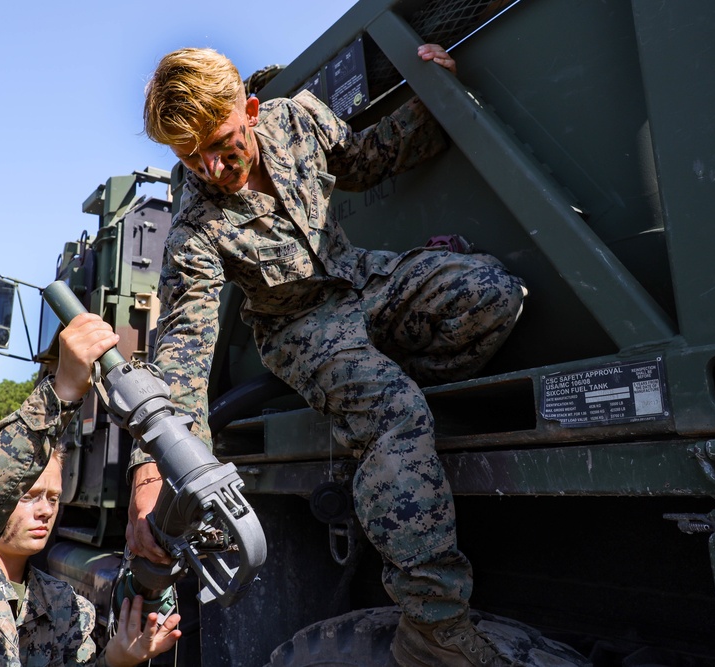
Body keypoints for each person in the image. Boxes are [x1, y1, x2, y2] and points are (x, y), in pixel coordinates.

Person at [128, 45, 527, 666]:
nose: (212, 165)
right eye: (190, 156)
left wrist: (434, 93)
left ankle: (377, 392)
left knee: (491, 295)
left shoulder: (295, 121)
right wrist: (160, 471)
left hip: (362, 282)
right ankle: (434, 626)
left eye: (223, 141)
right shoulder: (193, 230)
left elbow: (370, 159)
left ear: (252, 111)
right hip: (301, 329)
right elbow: (183, 351)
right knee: (395, 413)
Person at [0, 313, 182, 667]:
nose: (45, 510)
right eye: (28, 495)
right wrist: (62, 392)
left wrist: (115, 660)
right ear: (1, 496)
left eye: (53, 498)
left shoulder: (64, 605)